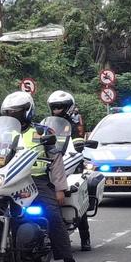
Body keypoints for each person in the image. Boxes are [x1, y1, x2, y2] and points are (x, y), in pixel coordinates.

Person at [0, 91, 82, 262]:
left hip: (37, 181)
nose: (12, 116)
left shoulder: (42, 132)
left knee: (53, 215)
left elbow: (56, 160)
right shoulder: (4, 134)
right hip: (9, 181)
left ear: (27, 112)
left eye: (16, 112)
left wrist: (60, 189)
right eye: (9, 113)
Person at [47, 90, 91, 251]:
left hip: (73, 160)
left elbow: (79, 138)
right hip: (54, 160)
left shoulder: (75, 121)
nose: (57, 110)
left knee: (77, 195)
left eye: (61, 107)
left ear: (69, 107)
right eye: (54, 107)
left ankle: (85, 236)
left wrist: (79, 147)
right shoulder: (47, 123)